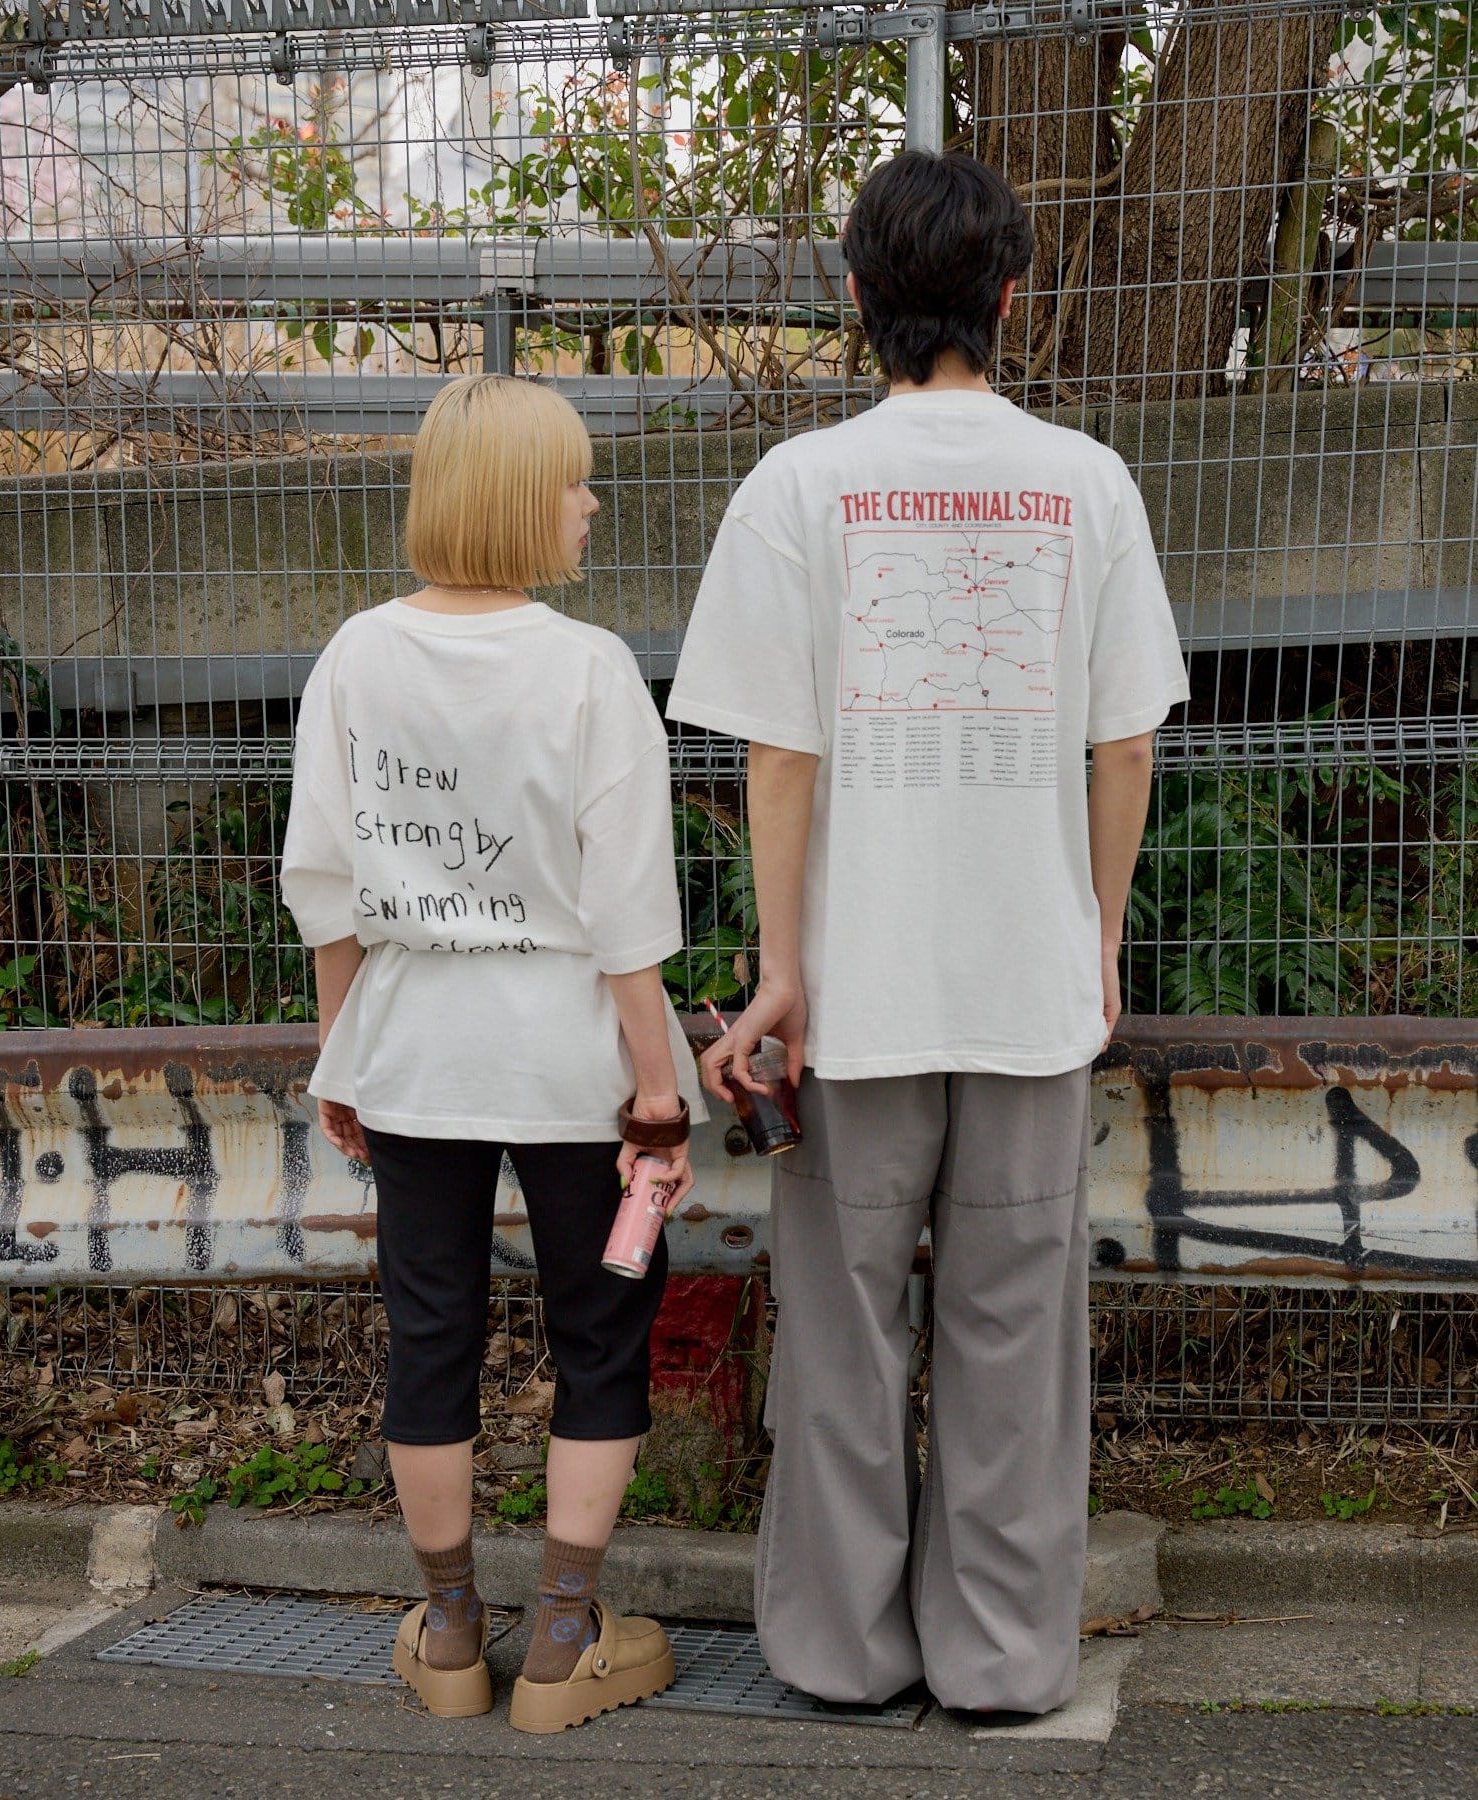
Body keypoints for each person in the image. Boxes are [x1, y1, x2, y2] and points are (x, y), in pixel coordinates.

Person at [666, 152, 1189, 1715]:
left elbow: (776, 756)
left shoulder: (797, 487)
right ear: (1012, 295)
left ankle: (842, 1652)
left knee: (842, 1331)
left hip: (856, 994)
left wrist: (780, 970)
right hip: (1030, 982)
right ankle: (1003, 1656)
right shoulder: (1087, 482)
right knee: (1015, 1334)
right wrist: (1098, 932)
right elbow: (1124, 743)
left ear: (855, 297)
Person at [280, 373, 705, 1732]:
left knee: (430, 1330)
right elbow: (626, 914)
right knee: (600, 1326)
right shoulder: (587, 670)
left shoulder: (356, 657)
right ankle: (567, 1634)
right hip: (572, 1054)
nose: (593, 503)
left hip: (415, 1045)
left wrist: (343, 1054)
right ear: (524, 501)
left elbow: (325, 885)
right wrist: (657, 1092)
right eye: (575, 481)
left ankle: (452, 1628)